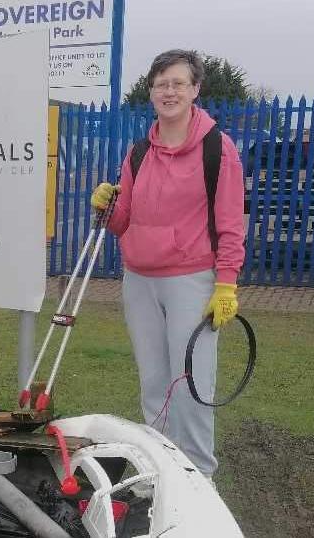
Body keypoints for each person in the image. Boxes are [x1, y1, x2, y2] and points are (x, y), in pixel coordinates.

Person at [90, 50, 246, 481]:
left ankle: (198, 480)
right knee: (154, 384)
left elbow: (231, 224)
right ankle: (156, 473)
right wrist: (106, 204)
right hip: (139, 280)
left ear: (195, 90)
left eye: (178, 83)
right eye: (161, 83)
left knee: (192, 386)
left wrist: (226, 284)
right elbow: (124, 223)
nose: (169, 91)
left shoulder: (218, 148)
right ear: (152, 91)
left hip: (191, 282)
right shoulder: (140, 152)